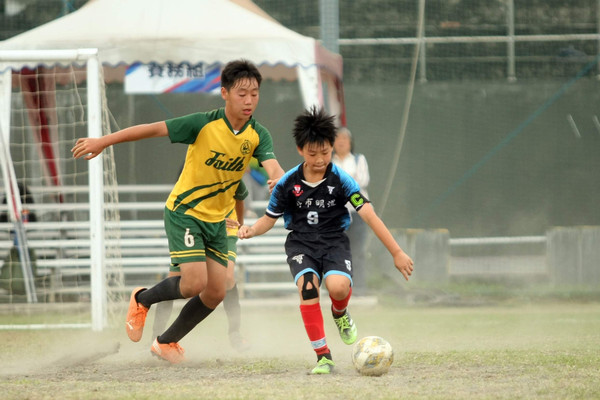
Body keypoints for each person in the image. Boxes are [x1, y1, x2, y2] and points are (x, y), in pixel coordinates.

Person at [71, 59, 285, 364]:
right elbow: (152, 129)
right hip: (185, 212)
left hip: (217, 222)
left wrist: (281, 179)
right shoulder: (202, 123)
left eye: (254, 93)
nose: (249, 100)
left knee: (216, 292)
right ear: (224, 93)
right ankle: (141, 298)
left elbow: (272, 166)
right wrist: (103, 141)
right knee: (193, 284)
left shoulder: (257, 135)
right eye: (242, 93)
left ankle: (166, 342)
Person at [237, 107, 414, 374]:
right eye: (313, 153)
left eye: (325, 152)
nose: (320, 159)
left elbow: (369, 215)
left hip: (334, 242)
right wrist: (250, 230)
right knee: (308, 289)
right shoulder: (287, 184)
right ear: (300, 150)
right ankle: (323, 357)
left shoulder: (342, 180)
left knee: (338, 288)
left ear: (332, 147)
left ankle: (340, 313)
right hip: (301, 244)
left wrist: (397, 252)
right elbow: (268, 219)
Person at [150, 180, 250, 352]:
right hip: (192, 227)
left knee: (227, 277)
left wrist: (238, 223)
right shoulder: (194, 170)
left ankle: (235, 334)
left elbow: (239, 198)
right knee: (174, 278)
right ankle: (154, 338)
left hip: (223, 231)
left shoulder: (230, 168)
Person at [332, 127, 370, 295]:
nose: (341, 142)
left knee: (358, 250)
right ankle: (336, 288)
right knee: (335, 250)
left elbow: (362, 181)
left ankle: (359, 288)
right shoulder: (328, 161)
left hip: (358, 212)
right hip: (334, 214)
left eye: (344, 139)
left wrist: (340, 182)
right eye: (337, 138)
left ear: (350, 142)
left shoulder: (359, 159)